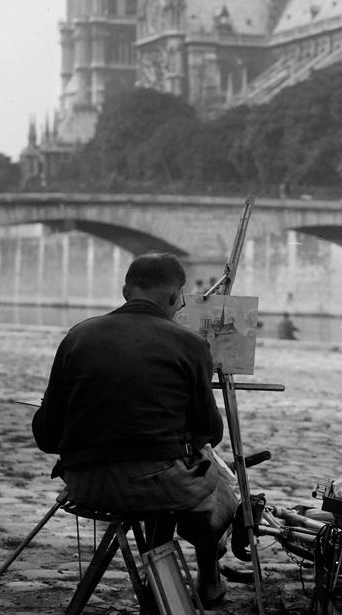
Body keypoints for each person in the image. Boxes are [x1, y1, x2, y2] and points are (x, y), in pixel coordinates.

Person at [32, 253, 239, 609]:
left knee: (174, 469)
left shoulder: (78, 336)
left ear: (126, 290)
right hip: (159, 487)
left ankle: (162, 578)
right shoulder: (190, 344)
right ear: (177, 297)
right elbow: (210, 430)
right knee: (221, 481)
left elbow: (46, 436)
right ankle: (209, 579)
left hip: (86, 485)